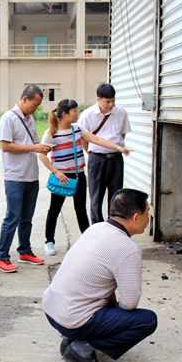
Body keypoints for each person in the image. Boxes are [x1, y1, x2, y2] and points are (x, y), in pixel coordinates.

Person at [42, 188, 157, 362]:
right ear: (136, 217)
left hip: (52, 309)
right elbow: (129, 303)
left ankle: (72, 339)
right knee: (146, 321)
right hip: (73, 320)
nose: (148, 218)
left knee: (108, 305)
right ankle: (82, 348)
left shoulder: (95, 229)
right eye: (147, 213)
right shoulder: (128, 249)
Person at [39, 99, 132, 256]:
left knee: (81, 210)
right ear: (64, 114)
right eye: (75, 111)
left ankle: (88, 241)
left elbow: (97, 140)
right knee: (54, 210)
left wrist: (118, 148)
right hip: (62, 177)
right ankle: (49, 241)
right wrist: (56, 172)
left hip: (79, 175)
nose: (77, 114)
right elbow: (41, 155)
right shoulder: (51, 133)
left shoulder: (77, 129)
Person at [0, 85, 51, 273]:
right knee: (12, 217)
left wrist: (42, 147)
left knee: (27, 218)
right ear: (25, 99)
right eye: (35, 104)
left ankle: (24, 251)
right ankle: (1, 256)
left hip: (31, 176)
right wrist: (33, 148)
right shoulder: (8, 118)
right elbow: (6, 146)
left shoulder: (30, 120)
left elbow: (33, 143)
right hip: (15, 177)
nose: (36, 108)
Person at [78, 83, 131, 224]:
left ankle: (114, 225)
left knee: (116, 195)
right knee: (96, 195)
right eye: (107, 101)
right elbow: (83, 138)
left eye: (113, 101)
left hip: (116, 158)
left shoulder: (121, 112)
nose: (111, 104)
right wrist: (91, 153)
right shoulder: (87, 114)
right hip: (97, 158)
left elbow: (122, 134)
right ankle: (97, 225)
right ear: (98, 99)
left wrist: (116, 147)